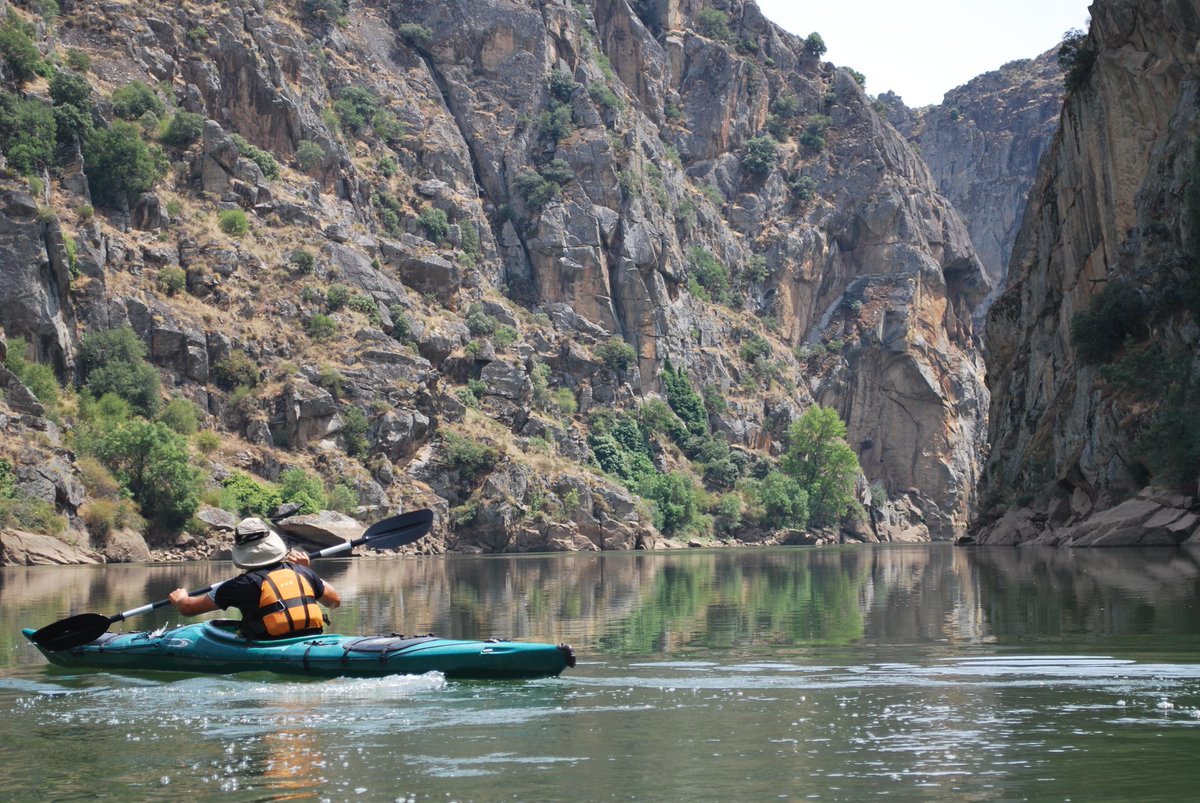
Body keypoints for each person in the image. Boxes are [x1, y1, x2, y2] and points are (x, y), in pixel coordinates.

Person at [169, 517, 341, 639]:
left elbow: (188, 609)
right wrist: (307, 571)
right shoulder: (303, 572)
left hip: (269, 644)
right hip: (310, 640)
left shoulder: (237, 586)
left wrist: (181, 598)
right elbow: (334, 601)